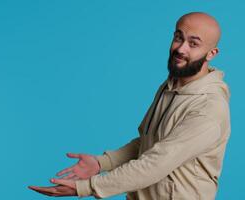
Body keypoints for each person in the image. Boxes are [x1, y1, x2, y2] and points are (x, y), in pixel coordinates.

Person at [28, 11, 231, 200]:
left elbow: (156, 164)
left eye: (193, 44)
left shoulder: (208, 108)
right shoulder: (172, 85)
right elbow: (147, 144)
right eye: (178, 37)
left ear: (212, 53)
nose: (180, 48)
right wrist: (102, 163)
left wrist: (85, 187)